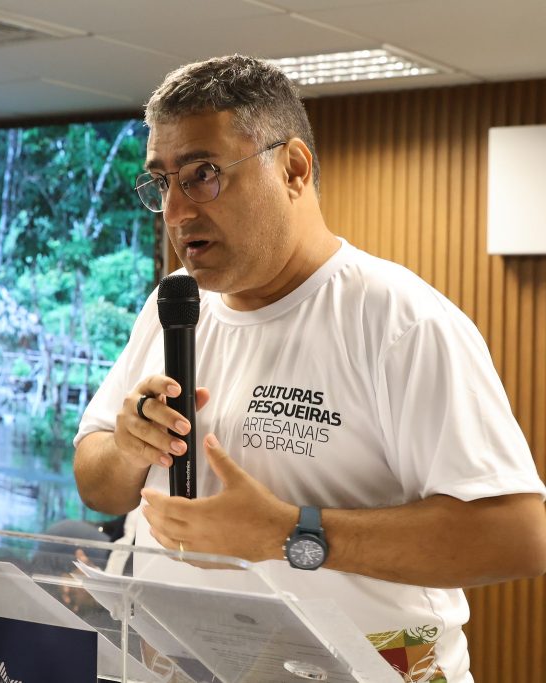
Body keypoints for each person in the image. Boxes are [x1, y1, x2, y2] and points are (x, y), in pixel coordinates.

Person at [73, 54, 546, 682]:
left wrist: (291, 533)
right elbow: (97, 482)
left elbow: (516, 536)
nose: (178, 211)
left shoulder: (397, 320)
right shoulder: (172, 307)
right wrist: (129, 447)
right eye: (163, 183)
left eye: (204, 174)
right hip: (176, 666)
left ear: (293, 168)